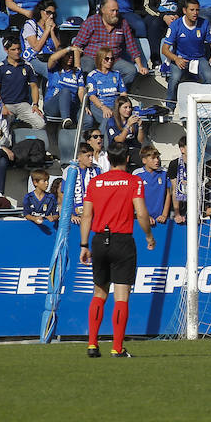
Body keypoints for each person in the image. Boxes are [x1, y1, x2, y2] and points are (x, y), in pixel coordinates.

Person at [78, 142, 156, 358]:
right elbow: (141, 213)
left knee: (99, 293)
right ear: (128, 160)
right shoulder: (134, 181)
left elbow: (86, 216)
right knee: (121, 297)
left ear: (109, 159)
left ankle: (92, 345)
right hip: (122, 241)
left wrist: (84, 245)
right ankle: (117, 348)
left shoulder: (95, 182)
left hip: (99, 239)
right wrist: (149, 236)